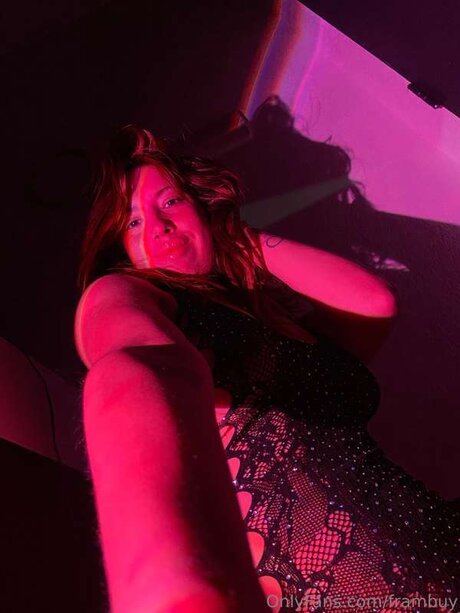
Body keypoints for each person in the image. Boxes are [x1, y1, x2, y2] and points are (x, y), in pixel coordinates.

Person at [74, 124, 459, 613]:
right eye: (132, 222)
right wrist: (165, 583)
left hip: (431, 536)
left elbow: (374, 303)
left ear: (203, 206)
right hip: (342, 582)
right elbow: (133, 368)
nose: (159, 225)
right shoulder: (124, 293)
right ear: (121, 250)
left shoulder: (267, 325)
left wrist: (236, 240)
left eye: (170, 202)